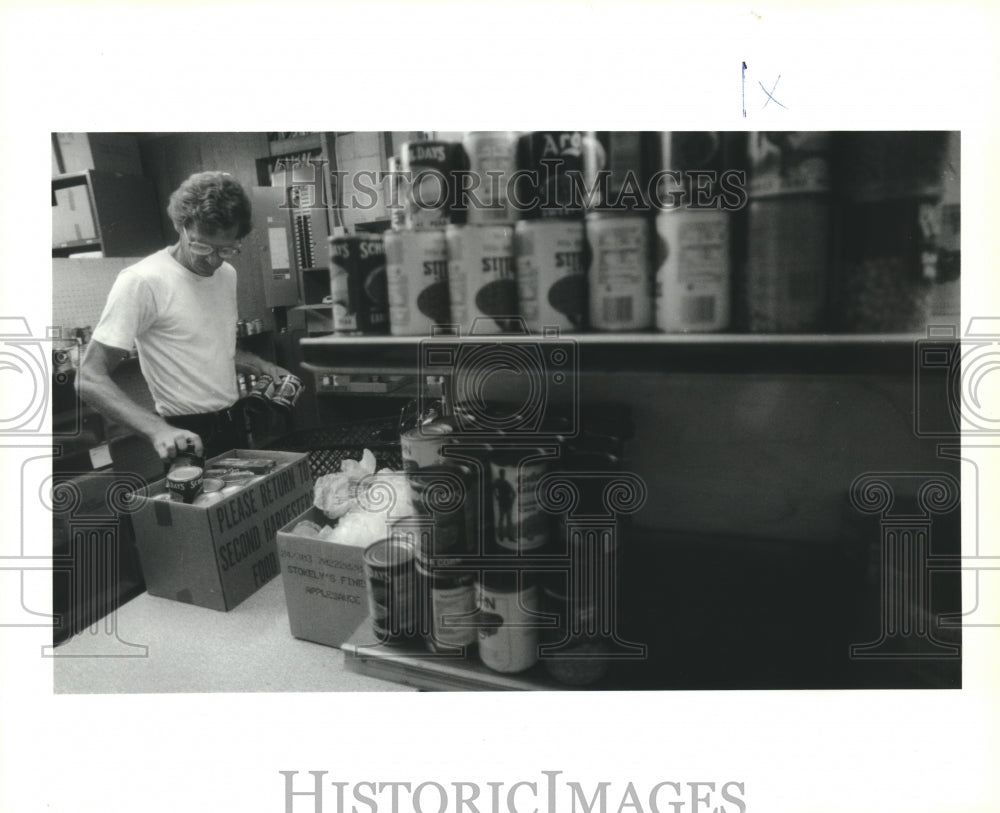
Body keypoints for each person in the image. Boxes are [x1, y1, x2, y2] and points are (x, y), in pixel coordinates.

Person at [77, 170, 291, 464]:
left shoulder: (227, 274)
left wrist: (260, 365)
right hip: (186, 434)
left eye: (227, 249)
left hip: (234, 423)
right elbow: (88, 378)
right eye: (202, 246)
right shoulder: (143, 280)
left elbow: (211, 348)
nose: (214, 260)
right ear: (181, 227)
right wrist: (157, 430)